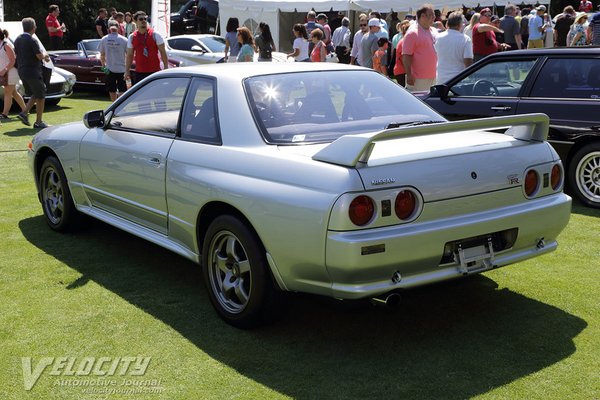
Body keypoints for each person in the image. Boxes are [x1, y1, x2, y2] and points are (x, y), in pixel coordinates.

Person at [14, 17, 50, 128]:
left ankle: (24, 113)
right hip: (33, 71)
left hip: (22, 71)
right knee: (41, 95)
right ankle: (38, 122)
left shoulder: (17, 39)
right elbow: (39, 56)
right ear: (33, 28)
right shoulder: (32, 40)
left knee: (37, 93)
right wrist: (46, 56)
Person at [124, 11, 169, 85]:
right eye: (141, 19)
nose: (144, 21)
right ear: (135, 21)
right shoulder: (132, 37)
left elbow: (162, 51)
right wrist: (127, 70)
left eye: (145, 19)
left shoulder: (155, 34)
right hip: (139, 72)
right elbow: (129, 55)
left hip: (155, 72)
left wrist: (166, 67)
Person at [402, 4, 438, 92]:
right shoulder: (412, 33)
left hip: (434, 75)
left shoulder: (434, 30)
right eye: (431, 15)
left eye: (433, 15)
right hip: (418, 78)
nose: (434, 17)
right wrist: (409, 74)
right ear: (422, 16)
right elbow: (406, 55)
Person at [434, 11, 473, 84]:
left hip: (441, 79)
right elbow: (468, 62)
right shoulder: (465, 39)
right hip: (458, 80)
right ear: (460, 24)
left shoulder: (438, 37)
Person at [0, 29, 28, 122]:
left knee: (8, 92)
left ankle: (4, 114)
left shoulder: (6, 45)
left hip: (12, 72)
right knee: (14, 93)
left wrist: (5, 70)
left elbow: (13, 60)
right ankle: (25, 110)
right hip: (5, 73)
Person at [99, 20, 128, 101]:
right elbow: (128, 55)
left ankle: (113, 104)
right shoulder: (124, 39)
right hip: (121, 68)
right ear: (118, 28)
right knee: (122, 89)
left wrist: (103, 66)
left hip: (109, 68)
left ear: (109, 28)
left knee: (112, 89)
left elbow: (102, 55)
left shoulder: (104, 39)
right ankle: (120, 105)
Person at [393, 20, 411, 86]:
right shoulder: (404, 42)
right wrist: (409, 73)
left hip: (401, 71)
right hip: (402, 72)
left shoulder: (403, 41)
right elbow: (404, 59)